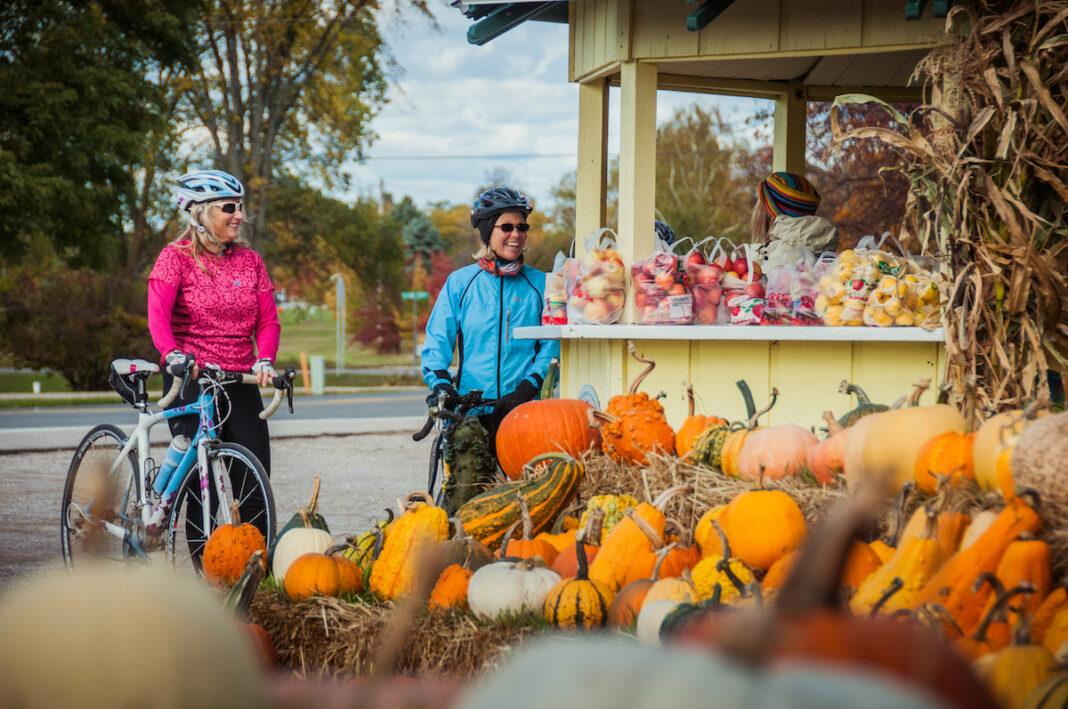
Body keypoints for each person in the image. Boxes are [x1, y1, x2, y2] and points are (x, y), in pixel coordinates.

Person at [147, 169, 280, 538]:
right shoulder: (174, 259)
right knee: (202, 494)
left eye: (240, 206)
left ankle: (255, 576)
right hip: (190, 378)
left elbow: (268, 322)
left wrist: (265, 358)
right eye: (229, 207)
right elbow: (157, 315)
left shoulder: (250, 261)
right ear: (201, 213)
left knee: (254, 487)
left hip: (239, 378)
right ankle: (204, 580)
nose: (239, 214)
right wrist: (171, 353)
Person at [420, 186, 560, 449]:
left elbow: (551, 347)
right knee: (464, 488)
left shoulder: (541, 285)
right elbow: (437, 341)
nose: (516, 235)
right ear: (487, 231)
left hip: (524, 410)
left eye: (522, 227)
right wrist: (441, 384)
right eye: (506, 227)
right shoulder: (460, 283)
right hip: (470, 413)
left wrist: (527, 389)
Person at [750, 171, 839, 257]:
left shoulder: (771, 259)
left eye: (759, 205)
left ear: (769, 214)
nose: (755, 211)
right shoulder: (824, 251)